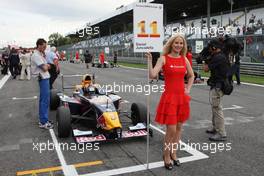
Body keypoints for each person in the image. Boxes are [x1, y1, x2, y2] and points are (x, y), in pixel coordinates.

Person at [146, 34, 194, 170]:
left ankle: (174, 152)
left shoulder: (184, 59)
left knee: (179, 128)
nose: (179, 45)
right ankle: (166, 155)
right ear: (171, 44)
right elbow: (152, 75)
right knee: (171, 129)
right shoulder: (163, 58)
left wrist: (188, 88)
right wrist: (150, 60)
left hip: (182, 98)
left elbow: (191, 76)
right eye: (176, 43)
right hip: (169, 98)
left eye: (181, 43)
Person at [203, 39, 229, 141]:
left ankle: (221, 133)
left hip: (218, 86)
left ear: (214, 47)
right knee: (215, 107)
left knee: (217, 109)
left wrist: (205, 60)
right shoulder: (220, 56)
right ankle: (215, 127)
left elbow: (205, 69)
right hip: (218, 84)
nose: (209, 49)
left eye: (210, 48)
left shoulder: (218, 57)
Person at [31, 38, 53, 129]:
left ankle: (43, 119)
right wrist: (47, 66)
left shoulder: (40, 54)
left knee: (44, 100)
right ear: (39, 45)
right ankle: (43, 122)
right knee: (44, 100)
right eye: (44, 46)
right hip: (43, 78)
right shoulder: (36, 55)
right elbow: (45, 68)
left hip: (44, 77)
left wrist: (47, 65)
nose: (45, 48)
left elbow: (47, 65)